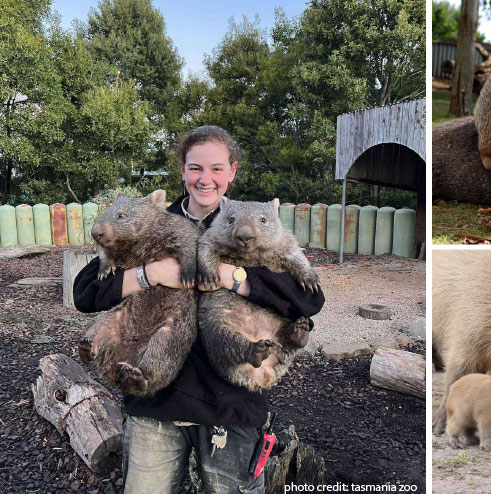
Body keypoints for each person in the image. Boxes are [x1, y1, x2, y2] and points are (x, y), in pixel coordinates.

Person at [73, 125, 325, 493]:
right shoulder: (154, 219)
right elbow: (84, 292)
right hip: (156, 403)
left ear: (232, 172)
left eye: (217, 169)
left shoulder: (250, 221)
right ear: (182, 171)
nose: (205, 179)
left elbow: (309, 299)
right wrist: (151, 273)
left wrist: (234, 277)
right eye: (195, 168)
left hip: (231, 407)